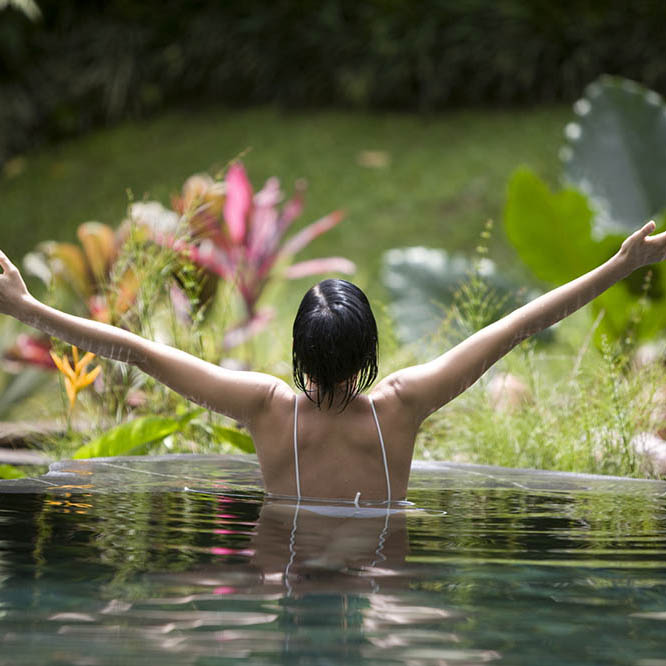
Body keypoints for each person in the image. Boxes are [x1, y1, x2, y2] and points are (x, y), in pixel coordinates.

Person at [1, 221, 665, 502]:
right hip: (383, 576)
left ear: (297, 351)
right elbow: (523, 323)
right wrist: (620, 264)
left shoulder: (264, 406)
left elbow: (135, 349)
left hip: (282, 571)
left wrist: (28, 308)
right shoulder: (404, 402)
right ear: (369, 351)